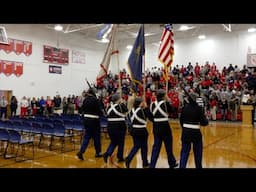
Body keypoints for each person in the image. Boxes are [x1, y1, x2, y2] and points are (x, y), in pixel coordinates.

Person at [149, 89, 178, 168]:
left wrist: (155, 121)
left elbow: (150, 116)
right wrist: (169, 102)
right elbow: (173, 111)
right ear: (163, 96)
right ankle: (171, 163)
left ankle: (152, 165)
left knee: (156, 147)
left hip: (156, 126)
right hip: (165, 126)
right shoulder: (166, 103)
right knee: (168, 146)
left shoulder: (152, 104)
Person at [179, 93, 209, 168]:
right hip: (196, 133)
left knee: (184, 153)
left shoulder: (184, 108)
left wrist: (185, 128)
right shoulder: (199, 108)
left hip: (185, 132)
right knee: (198, 154)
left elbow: (181, 120)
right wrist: (206, 119)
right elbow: (204, 123)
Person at [76, 88, 104, 160]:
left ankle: (81, 152)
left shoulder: (85, 100)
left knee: (86, 137)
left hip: (86, 120)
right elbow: (100, 111)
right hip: (94, 121)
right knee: (96, 137)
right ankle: (98, 152)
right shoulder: (95, 100)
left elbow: (82, 109)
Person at [125, 97, 153, 168]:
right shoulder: (143, 111)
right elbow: (151, 118)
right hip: (142, 131)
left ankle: (144, 162)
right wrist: (146, 108)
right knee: (142, 147)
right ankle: (130, 159)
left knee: (139, 146)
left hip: (134, 130)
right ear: (141, 103)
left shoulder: (131, 111)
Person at [103, 93, 128, 163]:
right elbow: (126, 110)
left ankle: (107, 153)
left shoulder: (109, 107)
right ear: (118, 99)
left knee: (113, 142)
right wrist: (122, 103)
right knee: (121, 142)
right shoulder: (120, 106)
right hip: (119, 126)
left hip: (110, 126)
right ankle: (120, 157)